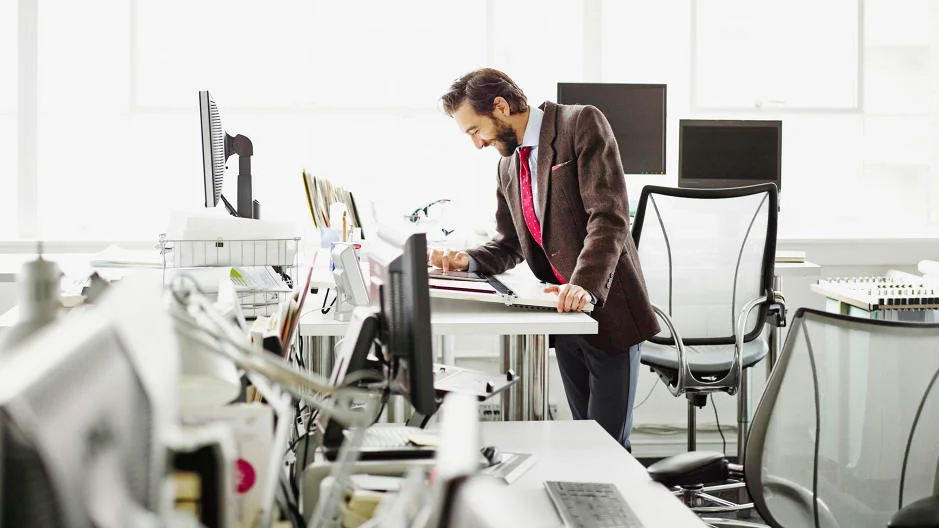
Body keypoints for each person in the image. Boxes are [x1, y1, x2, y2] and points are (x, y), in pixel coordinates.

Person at [431, 68, 660, 450]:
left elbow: (609, 217)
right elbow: (510, 244)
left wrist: (584, 287)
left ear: (500, 107)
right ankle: (584, 505)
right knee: (583, 436)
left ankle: (620, 508)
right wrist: (466, 261)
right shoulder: (508, 165)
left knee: (607, 446)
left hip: (606, 306)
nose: (477, 144)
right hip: (564, 314)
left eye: (475, 130)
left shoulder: (580, 123)